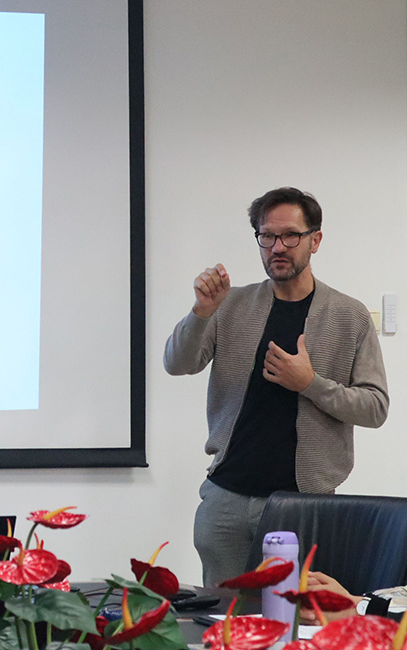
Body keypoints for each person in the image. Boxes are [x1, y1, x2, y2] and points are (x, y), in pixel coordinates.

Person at [164, 187, 389, 587]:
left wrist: (310, 384)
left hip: (306, 504)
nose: (277, 247)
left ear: (315, 240)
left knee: (296, 616)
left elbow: (375, 408)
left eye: (290, 236)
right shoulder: (230, 305)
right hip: (226, 501)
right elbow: (177, 363)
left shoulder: (349, 315)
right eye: (267, 236)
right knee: (225, 618)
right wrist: (201, 312)